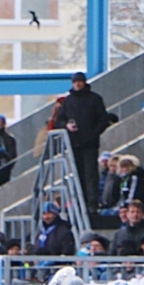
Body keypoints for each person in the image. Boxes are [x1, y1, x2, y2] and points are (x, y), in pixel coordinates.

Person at [55, 72, 108, 212]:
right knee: (78, 174)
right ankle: (81, 202)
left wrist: (92, 134)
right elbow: (59, 120)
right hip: (74, 143)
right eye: (75, 82)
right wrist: (66, 126)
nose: (77, 84)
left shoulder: (94, 99)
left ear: (84, 82)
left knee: (90, 174)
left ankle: (92, 203)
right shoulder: (68, 101)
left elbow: (103, 120)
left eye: (80, 81)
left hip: (89, 143)